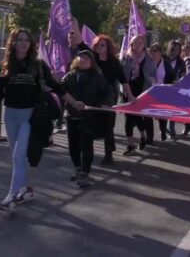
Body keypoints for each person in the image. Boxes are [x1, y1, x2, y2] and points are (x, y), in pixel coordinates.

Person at [0, 29, 84, 211]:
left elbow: (56, 87)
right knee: (18, 158)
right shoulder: (5, 66)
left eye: (27, 40)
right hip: (10, 116)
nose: (24, 43)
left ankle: (11, 196)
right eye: (19, 40)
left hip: (30, 116)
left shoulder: (38, 65)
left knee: (19, 155)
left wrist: (74, 102)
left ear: (31, 44)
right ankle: (26, 189)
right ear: (13, 43)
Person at [61, 50, 110, 188]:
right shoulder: (69, 76)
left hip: (88, 117)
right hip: (72, 116)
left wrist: (106, 102)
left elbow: (107, 91)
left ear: (91, 61)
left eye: (86, 57)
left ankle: (85, 172)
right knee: (73, 146)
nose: (83, 59)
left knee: (86, 145)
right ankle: (77, 168)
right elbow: (60, 90)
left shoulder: (97, 77)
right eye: (81, 57)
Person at [92, 35, 132, 165]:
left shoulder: (114, 62)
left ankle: (108, 153)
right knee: (92, 123)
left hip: (108, 96)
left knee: (108, 124)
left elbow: (123, 80)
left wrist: (131, 96)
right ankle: (88, 151)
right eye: (97, 44)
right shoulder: (92, 59)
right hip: (93, 95)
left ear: (108, 47)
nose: (99, 47)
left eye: (102, 45)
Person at [121, 35, 156, 155]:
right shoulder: (126, 57)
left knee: (138, 116)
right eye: (135, 42)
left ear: (144, 44)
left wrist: (152, 79)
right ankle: (130, 144)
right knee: (128, 118)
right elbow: (121, 74)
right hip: (128, 90)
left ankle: (142, 136)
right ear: (131, 44)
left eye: (141, 42)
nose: (138, 44)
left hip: (143, 90)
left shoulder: (148, 58)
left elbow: (153, 73)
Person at [150, 43, 176, 141]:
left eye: (155, 51)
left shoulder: (166, 64)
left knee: (162, 114)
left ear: (160, 53)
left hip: (163, 92)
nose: (153, 53)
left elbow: (172, 76)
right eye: (151, 51)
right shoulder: (148, 62)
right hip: (150, 93)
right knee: (149, 115)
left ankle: (163, 132)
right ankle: (149, 136)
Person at [165, 40, 187, 138]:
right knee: (164, 110)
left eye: (178, 49)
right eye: (174, 49)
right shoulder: (164, 58)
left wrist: (180, 81)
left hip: (175, 88)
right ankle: (165, 129)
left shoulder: (181, 62)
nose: (176, 51)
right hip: (164, 87)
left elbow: (183, 74)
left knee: (172, 110)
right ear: (170, 49)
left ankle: (171, 130)